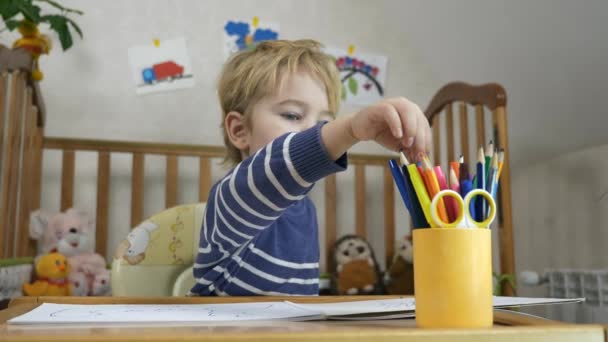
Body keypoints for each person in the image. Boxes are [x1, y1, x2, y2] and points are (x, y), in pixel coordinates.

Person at [190, 39, 431, 296]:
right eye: (292, 115)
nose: (313, 131)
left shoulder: (306, 211)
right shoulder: (230, 196)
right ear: (239, 131)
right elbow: (282, 164)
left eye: (324, 122)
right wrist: (349, 129)